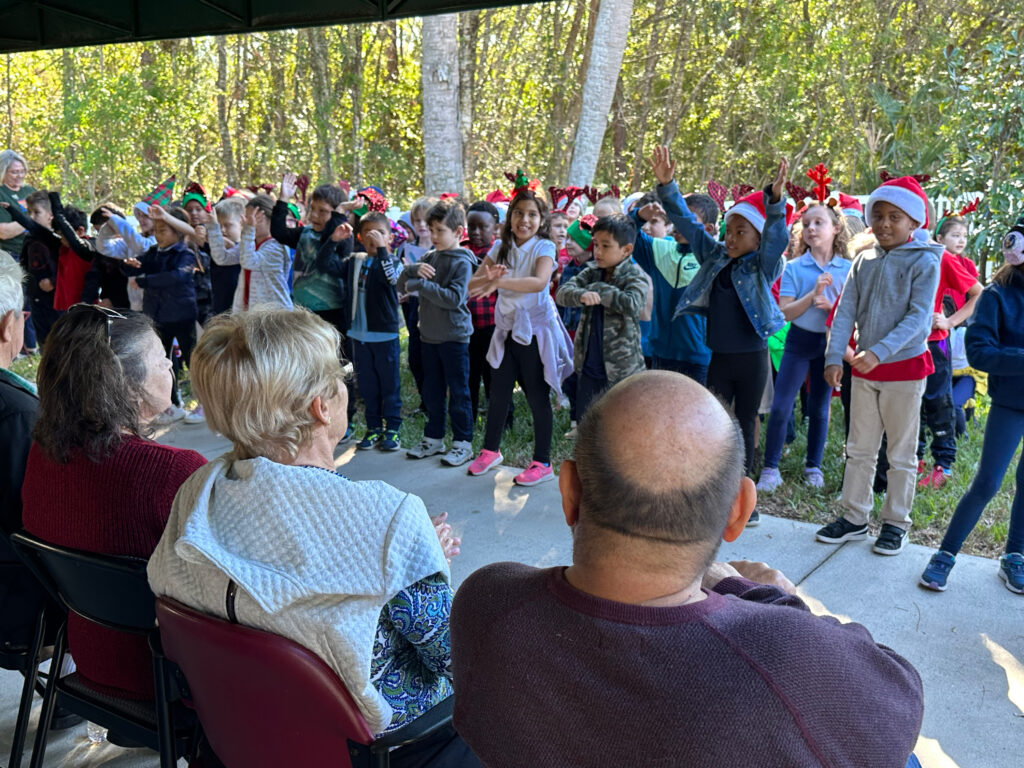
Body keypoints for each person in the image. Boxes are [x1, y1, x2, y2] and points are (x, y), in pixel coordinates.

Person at [450, 370, 925, 768]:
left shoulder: (487, 603)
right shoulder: (787, 653)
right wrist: (769, 595)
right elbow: (898, 700)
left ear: (569, 490)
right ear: (739, 512)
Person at [148, 308, 478, 767]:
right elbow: (459, 661)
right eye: (340, 377)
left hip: (239, 739)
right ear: (320, 406)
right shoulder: (385, 518)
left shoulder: (196, 495)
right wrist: (415, 556)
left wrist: (414, 557)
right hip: (382, 751)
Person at [21, 306, 207, 700]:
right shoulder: (174, 471)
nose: (170, 367)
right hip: (167, 674)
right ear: (124, 383)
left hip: (89, 659)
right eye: (161, 359)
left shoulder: (44, 454)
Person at [652, 146, 791, 526]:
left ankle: (745, 498)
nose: (731, 238)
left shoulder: (763, 266)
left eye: (741, 232)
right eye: (729, 231)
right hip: (719, 359)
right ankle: (716, 490)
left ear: (757, 239)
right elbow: (688, 223)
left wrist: (775, 202)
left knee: (744, 423)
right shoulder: (714, 256)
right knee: (714, 423)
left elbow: (777, 239)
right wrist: (668, 186)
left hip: (752, 360)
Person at [819, 176, 942, 555]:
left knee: (901, 453)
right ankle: (854, 517)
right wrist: (834, 356)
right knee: (859, 448)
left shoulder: (925, 260)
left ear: (914, 222)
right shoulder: (864, 259)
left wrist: (879, 352)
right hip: (863, 370)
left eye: (895, 217)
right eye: (878, 215)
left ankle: (896, 523)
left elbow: (919, 319)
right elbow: (845, 311)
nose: (884, 224)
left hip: (903, 371)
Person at [920, 218, 1024, 593]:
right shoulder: (997, 296)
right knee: (987, 482)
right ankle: (944, 555)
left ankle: (1015, 556)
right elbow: (980, 352)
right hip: (1011, 404)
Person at [466, 184, 573, 486]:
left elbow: (539, 282)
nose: (524, 220)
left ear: (542, 220)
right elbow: (473, 286)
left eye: (532, 214)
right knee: (498, 391)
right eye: (518, 213)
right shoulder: (500, 247)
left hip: (535, 332)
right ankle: (490, 451)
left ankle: (543, 462)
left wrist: (499, 282)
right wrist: (488, 279)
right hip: (507, 329)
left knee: (536, 394)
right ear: (509, 217)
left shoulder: (544, 247)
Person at [758, 196, 852, 492]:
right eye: (806, 224)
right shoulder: (795, 267)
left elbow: (852, 313)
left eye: (818, 222)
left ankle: (813, 466)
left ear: (836, 228)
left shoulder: (849, 269)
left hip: (829, 344)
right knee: (782, 405)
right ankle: (770, 469)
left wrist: (830, 307)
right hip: (799, 341)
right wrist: (813, 295)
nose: (811, 228)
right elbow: (785, 312)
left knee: (819, 408)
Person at [398, 199, 476, 466]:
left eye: (440, 230)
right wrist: (411, 270)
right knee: (432, 392)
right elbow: (401, 284)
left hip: (454, 337)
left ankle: (463, 443)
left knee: (459, 392)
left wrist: (421, 285)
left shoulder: (463, 262)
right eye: (431, 230)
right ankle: (433, 438)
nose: (433, 236)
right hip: (428, 336)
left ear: (458, 232)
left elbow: (454, 298)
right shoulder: (429, 257)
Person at [910, 215, 982, 489]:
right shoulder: (888, 253)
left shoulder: (940, 256)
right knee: (911, 405)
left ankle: (943, 465)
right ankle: (914, 459)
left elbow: (978, 292)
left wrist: (950, 321)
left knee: (938, 401)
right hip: (902, 346)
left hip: (935, 344)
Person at [555, 214, 647, 420]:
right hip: (589, 364)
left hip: (621, 369)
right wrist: (581, 295)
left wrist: (601, 290)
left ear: (626, 250)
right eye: (596, 244)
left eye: (606, 246)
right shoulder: (591, 272)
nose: (598, 251)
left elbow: (633, 304)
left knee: (621, 422)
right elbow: (562, 294)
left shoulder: (634, 277)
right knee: (588, 420)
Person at [631, 192, 715, 384]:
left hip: (698, 359)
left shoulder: (715, 257)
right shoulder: (659, 250)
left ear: (708, 229)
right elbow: (626, 234)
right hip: (660, 354)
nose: (679, 223)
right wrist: (638, 216)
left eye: (687, 219)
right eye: (676, 216)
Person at [127, 205, 201, 421]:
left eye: (163, 231)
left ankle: (204, 403)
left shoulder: (186, 254)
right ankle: (172, 404)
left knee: (192, 359)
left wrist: (144, 281)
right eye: (156, 231)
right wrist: (129, 266)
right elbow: (139, 266)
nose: (158, 235)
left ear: (178, 232)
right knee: (162, 361)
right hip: (157, 316)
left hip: (182, 315)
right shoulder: (153, 253)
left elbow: (176, 277)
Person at [464, 201, 500, 421]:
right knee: (469, 374)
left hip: (493, 325)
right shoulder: (461, 251)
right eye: (471, 226)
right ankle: (468, 416)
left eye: (482, 227)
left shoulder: (501, 253)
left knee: (494, 374)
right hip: (467, 326)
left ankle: (501, 418)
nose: (476, 232)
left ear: (495, 227)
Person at [232, 194, 293, 311]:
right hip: (250, 312)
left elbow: (249, 262)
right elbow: (223, 258)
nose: (250, 222)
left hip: (275, 313)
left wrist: (248, 231)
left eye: (255, 218)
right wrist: (213, 227)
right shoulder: (249, 243)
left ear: (270, 219)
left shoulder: (277, 247)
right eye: (247, 218)